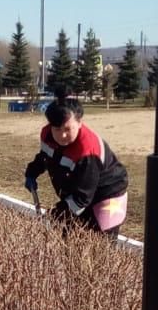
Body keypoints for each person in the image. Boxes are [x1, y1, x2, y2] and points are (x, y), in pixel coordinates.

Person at [23, 98, 128, 236]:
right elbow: (46, 156)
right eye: (57, 129)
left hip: (107, 194)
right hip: (78, 189)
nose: (62, 135)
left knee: (99, 244)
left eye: (67, 129)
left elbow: (81, 198)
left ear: (79, 123)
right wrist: (32, 171)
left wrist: (54, 214)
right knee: (68, 236)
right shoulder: (48, 134)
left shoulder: (88, 152)